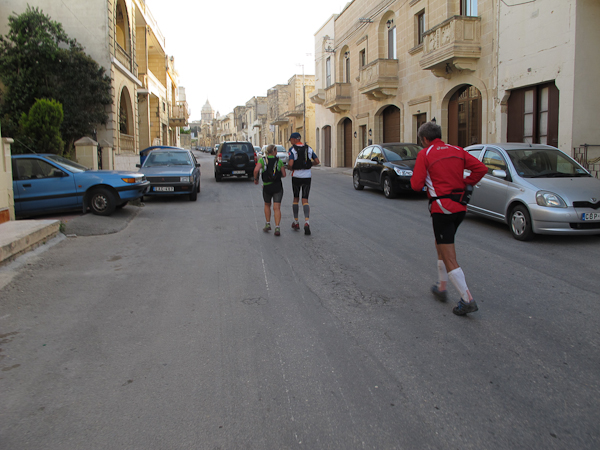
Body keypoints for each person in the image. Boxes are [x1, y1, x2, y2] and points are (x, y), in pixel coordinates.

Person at [410, 122, 487, 316]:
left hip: (442, 208)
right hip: (460, 207)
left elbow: (416, 185)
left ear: (424, 139)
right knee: (441, 244)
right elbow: (481, 169)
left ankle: (467, 299)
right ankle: (442, 286)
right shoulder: (457, 150)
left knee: (449, 255)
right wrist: (465, 183)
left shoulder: (425, 154)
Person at [288, 132, 320, 235]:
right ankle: (307, 222)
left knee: (296, 198)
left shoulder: (292, 150)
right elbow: (317, 161)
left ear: (294, 139)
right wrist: (309, 165)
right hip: (307, 176)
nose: (290, 142)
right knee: (305, 199)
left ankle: (296, 221)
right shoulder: (309, 148)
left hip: (296, 176)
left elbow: (291, 163)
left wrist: (289, 167)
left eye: (291, 140)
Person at [254, 144, 286, 236]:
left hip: (267, 187)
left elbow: (256, 170)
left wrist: (256, 179)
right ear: (274, 151)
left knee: (267, 205)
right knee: (277, 207)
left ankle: (268, 224)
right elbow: (284, 174)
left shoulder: (262, 160)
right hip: (277, 187)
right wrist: (277, 175)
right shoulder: (279, 161)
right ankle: (277, 227)